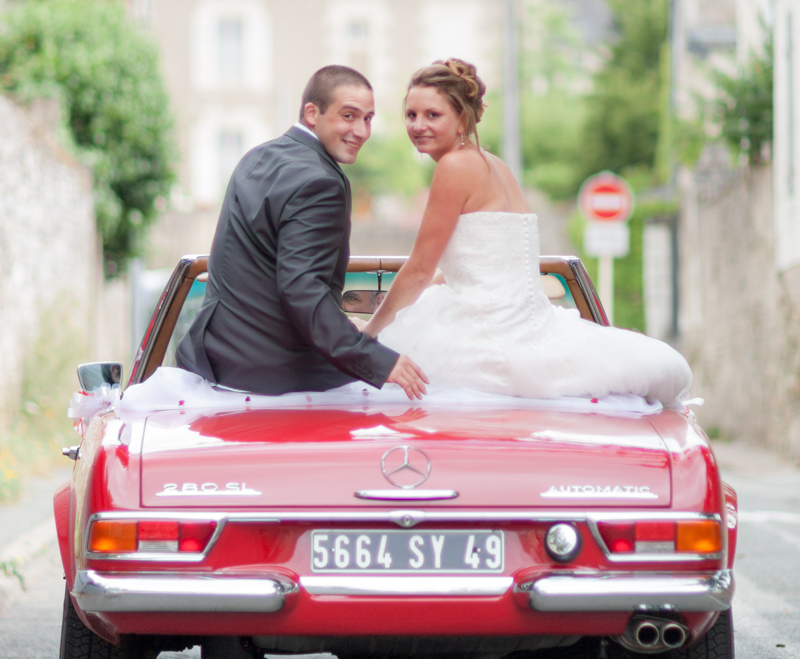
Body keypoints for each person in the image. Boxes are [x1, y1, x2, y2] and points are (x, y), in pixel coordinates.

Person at [362, 59, 692, 405]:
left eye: (432, 115)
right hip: (533, 327)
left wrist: (370, 333)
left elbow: (418, 269)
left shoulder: (454, 166)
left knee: (375, 384)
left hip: (486, 337)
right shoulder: (495, 166)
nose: (418, 125)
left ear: (462, 119)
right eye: (411, 115)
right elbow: (484, 263)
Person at [176, 65, 428, 399]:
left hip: (216, 356)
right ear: (312, 112)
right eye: (349, 116)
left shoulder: (257, 157)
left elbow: (257, 263)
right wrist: (376, 362)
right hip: (278, 372)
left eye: (368, 119)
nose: (362, 131)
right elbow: (301, 287)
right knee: (419, 383)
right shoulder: (321, 181)